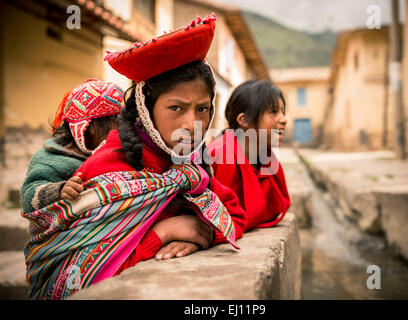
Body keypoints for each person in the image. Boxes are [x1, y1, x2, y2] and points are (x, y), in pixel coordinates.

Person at [23, 14, 246, 300]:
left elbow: (235, 214)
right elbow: (74, 275)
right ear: (146, 108)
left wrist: (201, 235)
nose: (193, 124)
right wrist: (163, 234)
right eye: (176, 108)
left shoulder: (188, 168)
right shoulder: (106, 167)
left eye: (203, 109)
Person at [20, 79, 124, 213]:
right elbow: (28, 197)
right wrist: (59, 190)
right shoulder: (49, 160)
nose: (119, 136)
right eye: (115, 129)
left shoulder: (111, 153)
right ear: (88, 128)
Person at [207, 79, 291, 231]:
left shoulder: (265, 157)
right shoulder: (219, 156)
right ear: (244, 120)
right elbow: (212, 221)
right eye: (273, 112)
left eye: (282, 111)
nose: (284, 119)